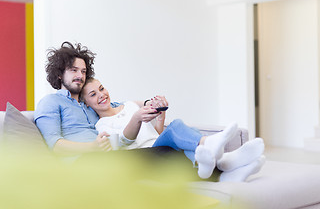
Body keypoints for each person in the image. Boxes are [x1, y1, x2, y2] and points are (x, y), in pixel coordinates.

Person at [81, 77, 266, 181]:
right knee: (177, 128)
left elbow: (157, 135)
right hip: (145, 155)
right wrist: (136, 119)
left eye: (101, 88)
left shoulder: (129, 105)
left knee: (177, 132)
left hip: (158, 145)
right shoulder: (101, 125)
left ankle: (227, 169)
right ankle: (221, 155)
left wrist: (160, 117)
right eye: (93, 94)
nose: (101, 95)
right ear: (87, 104)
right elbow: (124, 142)